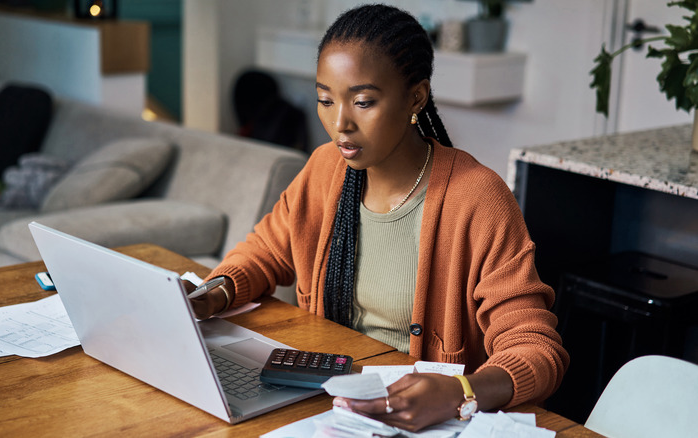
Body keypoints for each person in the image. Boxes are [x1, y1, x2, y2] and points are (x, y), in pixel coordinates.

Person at [186, 3, 569, 432]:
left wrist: (464, 390)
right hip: (331, 403)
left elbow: (537, 349)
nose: (339, 124)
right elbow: (264, 251)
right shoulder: (325, 168)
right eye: (325, 100)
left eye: (363, 101)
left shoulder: (478, 198)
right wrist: (212, 293)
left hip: (425, 418)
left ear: (416, 97)